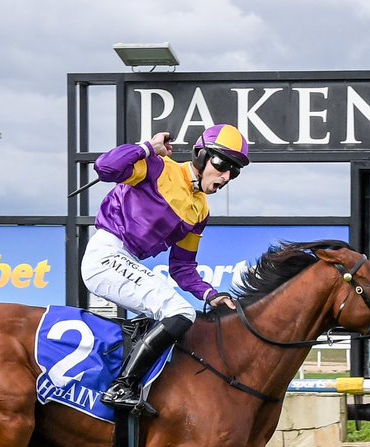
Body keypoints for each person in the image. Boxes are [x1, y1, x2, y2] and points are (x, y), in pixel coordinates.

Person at [80, 124, 249, 414]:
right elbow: (104, 168)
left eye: (234, 171)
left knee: (174, 314)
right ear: (201, 155)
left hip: (126, 260)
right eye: (222, 164)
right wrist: (147, 147)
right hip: (105, 254)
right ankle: (123, 387)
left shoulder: (201, 211)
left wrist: (210, 295)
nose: (226, 176)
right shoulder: (158, 167)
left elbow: (182, 267)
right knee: (179, 312)